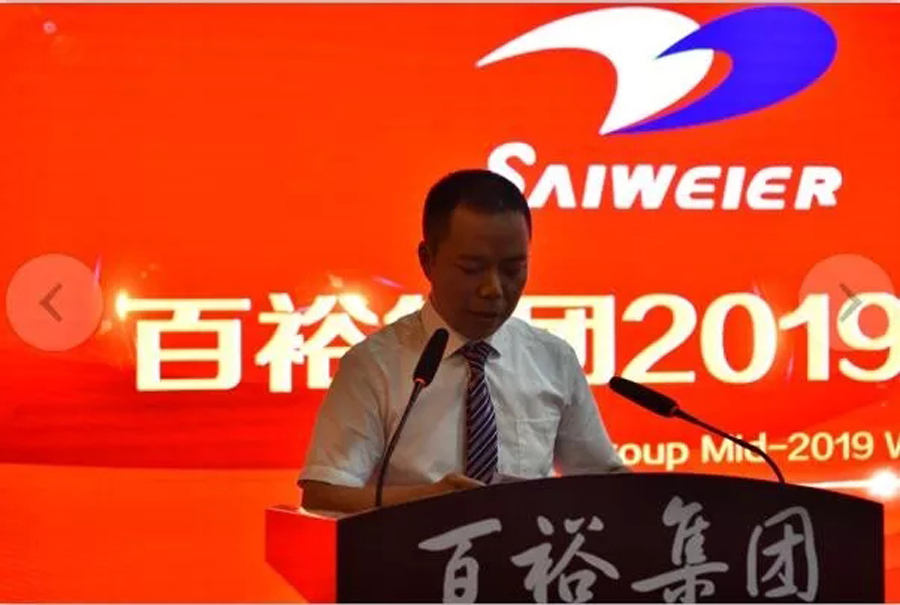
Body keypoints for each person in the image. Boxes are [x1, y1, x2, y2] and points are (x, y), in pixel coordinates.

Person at [298, 169, 626, 513]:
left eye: (512, 269)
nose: (493, 289)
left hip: (532, 547)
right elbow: (323, 494)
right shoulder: (375, 365)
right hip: (416, 546)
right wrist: (431, 503)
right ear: (427, 261)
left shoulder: (552, 358)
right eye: (471, 269)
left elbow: (603, 480)